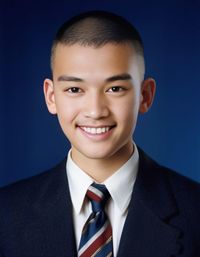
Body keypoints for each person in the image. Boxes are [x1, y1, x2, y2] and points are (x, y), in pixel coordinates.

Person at [0, 10, 199, 257]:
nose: (95, 111)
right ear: (51, 97)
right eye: (74, 89)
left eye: (115, 88)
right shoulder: (6, 214)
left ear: (145, 96)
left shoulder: (195, 213)